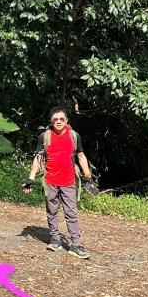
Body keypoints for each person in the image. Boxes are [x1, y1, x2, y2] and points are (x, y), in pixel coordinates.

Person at [21, 107, 97, 259]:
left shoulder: (74, 136)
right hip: (50, 181)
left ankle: (75, 245)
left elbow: (81, 156)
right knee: (52, 210)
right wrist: (31, 178)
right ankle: (55, 239)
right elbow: (38, 158)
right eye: (55, 119)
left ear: (66, 120)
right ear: (51, 121)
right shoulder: (44, 137)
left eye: (61, 119)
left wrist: (88, 176)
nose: (59, 121)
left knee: (71, 213)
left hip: (68, 181)